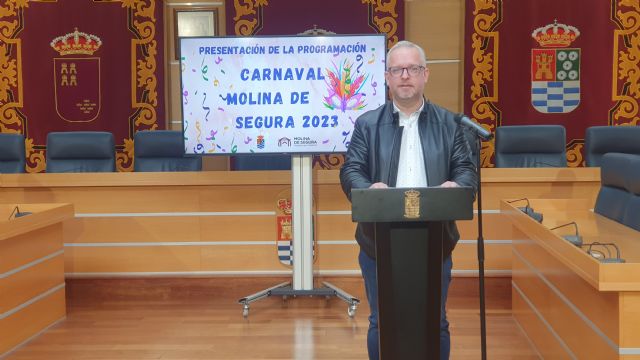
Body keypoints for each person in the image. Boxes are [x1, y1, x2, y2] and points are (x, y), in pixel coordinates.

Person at [339, 40, 477, 360]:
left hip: (435, 240)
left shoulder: (451, 125)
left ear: (425, 75)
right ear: (386, 77)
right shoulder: (367, 124)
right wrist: (368, 189)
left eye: (412, 69)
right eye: (397, 70)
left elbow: (467, 173)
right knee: (381, 321)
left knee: (436, 322)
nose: (405, 76)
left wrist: (455, 186)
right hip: (378, 241)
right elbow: (351, 171)